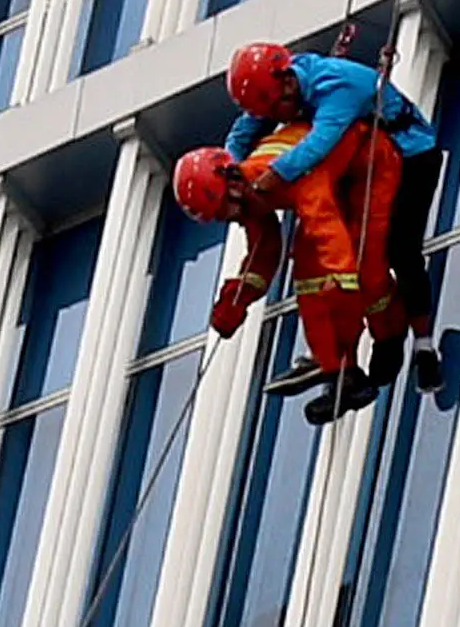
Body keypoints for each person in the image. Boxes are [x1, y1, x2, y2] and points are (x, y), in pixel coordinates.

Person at [224, 40, 445, 395]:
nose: (281, 118)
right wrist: (229, 172)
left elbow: (319, 143)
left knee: (399, 248)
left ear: (288, 83)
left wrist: (274, 175)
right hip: (362, 161)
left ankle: (423, 344)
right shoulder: (275, 84)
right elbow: (242, 133)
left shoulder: (340, 86)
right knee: (329, 251)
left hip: (411, 155)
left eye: (280, 108)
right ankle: (338, 355)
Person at [173, 121, 406, 427]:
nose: (230, 218)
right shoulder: (248, 194)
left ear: (231, 184)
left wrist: (342, 297)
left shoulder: (286, 174)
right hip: (338, 181)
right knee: (309, 275)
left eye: (224, 209)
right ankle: (341, 373)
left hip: (370, 164)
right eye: (219, 216)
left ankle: (389, 336)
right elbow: (264, 251)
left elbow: (330, 238)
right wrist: (236, 300)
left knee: (363, 265)